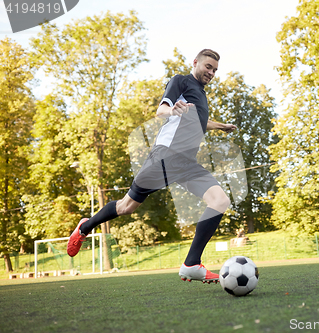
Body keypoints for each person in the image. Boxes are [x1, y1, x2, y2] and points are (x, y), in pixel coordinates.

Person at [67, 49, 236, 284]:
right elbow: (162, 109)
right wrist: (172, 110)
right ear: (195, 62)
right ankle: (85, 227)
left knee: (220, 201)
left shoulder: (201, 95)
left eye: (215, 70)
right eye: (208, 67)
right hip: (165, 157)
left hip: (187, 163)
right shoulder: (181, 81)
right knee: (126, 207)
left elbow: (198, 121)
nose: (212, 72)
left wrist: (221, 126)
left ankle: (191, 264)